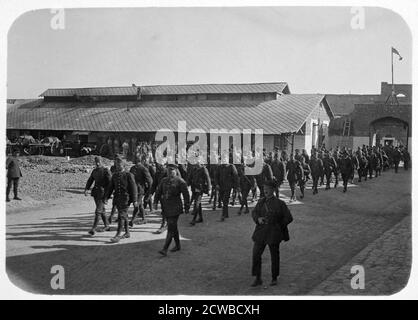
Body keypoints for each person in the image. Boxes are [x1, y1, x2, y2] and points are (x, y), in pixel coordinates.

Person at [250, 180, 293, 287]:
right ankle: (258, 278)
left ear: (273, 190)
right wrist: (258, 219)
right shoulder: (261, 202)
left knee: (274, 256)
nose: (265, 191)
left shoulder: (280, 204)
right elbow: (254, 212)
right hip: (261, 232)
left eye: (268, 189)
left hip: (273, 233)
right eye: (264, 189)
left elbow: (289, 218)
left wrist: (278, 225)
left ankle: (274, 278)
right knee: (256, 255)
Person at [153, 164, 190, 256]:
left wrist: (187, 206)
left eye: (172, 171)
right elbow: (158, 192)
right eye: (169, 171)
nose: (170, 172)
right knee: (173, 227)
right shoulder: (163, 180)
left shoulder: (180, 181)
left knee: (170, 227)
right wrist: (155, 202)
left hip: (175, 207)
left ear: (176, 171)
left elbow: (186, 195)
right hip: (166, 207)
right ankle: (177, 246)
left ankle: (165, 249)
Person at [105, 156, 138, 243]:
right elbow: (110, 188)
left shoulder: (128, 175)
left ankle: (118, 234)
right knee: (124, 216)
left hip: (126, 199)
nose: (117, 166)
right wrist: (106, 197)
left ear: (123, 165)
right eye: (116, 164)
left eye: (119, 164)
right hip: (117, 199)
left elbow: (134, 188)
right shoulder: (115, 175)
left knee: (121, 216)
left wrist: (134, 200)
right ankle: (127, 233)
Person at [84, 157, 112, 235]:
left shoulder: (106, 171)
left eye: (99, 162)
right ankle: (107, 225)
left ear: (102, 162)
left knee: (98, 211)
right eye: (96, 162)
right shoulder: (94, 171)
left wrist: (109, 194)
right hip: (96, 193)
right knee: (102, 210)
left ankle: (93, 228)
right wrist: (86, 189)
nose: (97, 163)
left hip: (103, 194)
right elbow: (90, 180)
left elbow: (111, 183)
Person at [129, 155, 153, 227]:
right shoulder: (132, 168)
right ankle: (144, 218)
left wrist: (149, 191)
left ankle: (132, 220)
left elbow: (150, 181)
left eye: (134, 159)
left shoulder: (143, 169)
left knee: (136, 204)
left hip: (140, 189)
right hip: (133, 189)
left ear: (137, 160)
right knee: (140, 205)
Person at [214, 152, 238, 222]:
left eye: (225, 158)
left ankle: (223, 215)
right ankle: (226, 213)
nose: (224, 160)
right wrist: (217, 184)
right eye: (223, 159)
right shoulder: (219, 167)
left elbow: (235, 177)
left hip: (228, 186)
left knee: (225, 200)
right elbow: (216, 176)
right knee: (222, 200)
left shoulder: (231, 167)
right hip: (221, 186)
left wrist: (236, 187)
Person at [189, 157, 211, 225]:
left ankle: (194, 219)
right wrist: (187, 184)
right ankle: (200, 218)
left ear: (200, 162)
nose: (196, 163)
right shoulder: (193, 169)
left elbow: (208, 179)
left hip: (200, 188)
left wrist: (209, 189)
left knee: (196, 203)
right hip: (194, 188)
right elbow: (190, 177)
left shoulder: (203, 169)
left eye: (197, 162)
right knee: (199, 204)